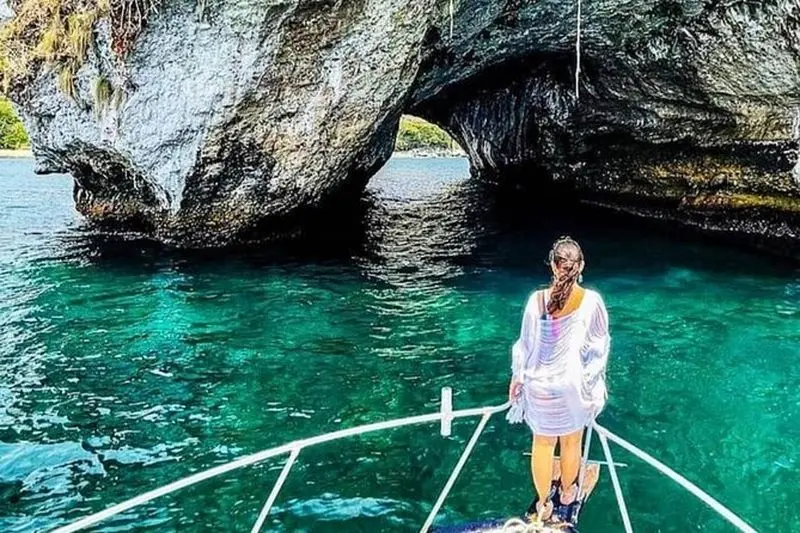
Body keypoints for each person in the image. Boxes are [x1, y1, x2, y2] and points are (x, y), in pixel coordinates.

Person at [507, 236, 611, 521]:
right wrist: (592, 385)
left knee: (542, 444)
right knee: (571, 441)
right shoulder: (591, 301)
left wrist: (517, 377)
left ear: (553, 266)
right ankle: (567, 492)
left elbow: (525, 345)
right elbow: (598, 349)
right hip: (571, 385)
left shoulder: (536, 300)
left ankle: (543, 503)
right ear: (581, 266)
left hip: (538, 385)